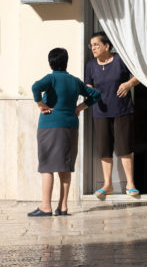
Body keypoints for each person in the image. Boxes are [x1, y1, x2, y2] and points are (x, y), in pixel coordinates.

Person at [28, 47, 101, 217]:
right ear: (66, 62)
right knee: (65, 166)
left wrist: (41, 105)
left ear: (50, 62)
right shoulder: (75, 81)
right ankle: (63, 206)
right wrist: (80, 107)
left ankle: (46, 206)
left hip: (49, 125)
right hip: (70, 126)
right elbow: (96, 95)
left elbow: (35, 87)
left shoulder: (51, 78)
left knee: (47, 166)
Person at [85, 31, 140, 200]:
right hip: (100, 112)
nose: (93, 48)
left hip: (122, 110)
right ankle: (107, 185)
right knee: (105, 149)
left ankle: (130, 184)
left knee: (125, 148)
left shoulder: (120, 60)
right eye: (91, 45)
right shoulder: (91, 65)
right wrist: (90, 90)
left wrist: (129, 83)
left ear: (106, 46)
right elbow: (88, 83)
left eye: (96, 45)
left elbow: (140, 74)